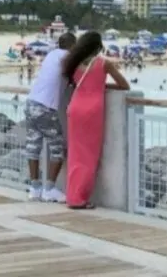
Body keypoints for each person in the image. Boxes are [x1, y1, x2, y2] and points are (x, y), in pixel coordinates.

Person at [61, 31, 130, 209]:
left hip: (75, 108)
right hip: (92, 111)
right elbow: (124, 85)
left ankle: (72, 195)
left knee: (76, 154)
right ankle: (79, 199)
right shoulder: (103, 63)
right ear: (98, 46)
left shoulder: (73, 63)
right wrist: (101, 84)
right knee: (89, 156)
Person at [25, 32, 77, 202]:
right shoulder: (68, 57)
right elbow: (77, 77)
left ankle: (34, 188)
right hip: (46, 107)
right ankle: (50, 188)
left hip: (31, 102)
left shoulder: (51, 55)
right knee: (58, 147)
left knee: (33, 146)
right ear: (73, 46)